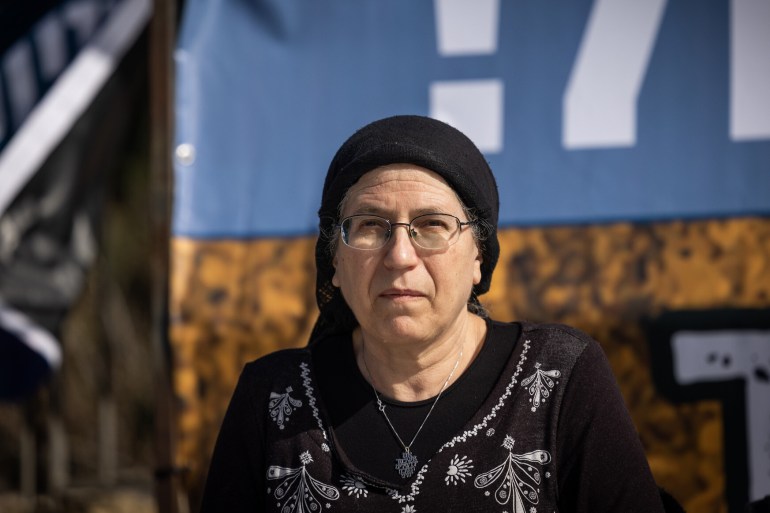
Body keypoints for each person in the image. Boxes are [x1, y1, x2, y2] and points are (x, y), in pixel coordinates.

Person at [200, 115, 667, 512]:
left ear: (479, 256)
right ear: (335, 262)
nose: (400, 255)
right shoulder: (273, 397)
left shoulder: (561, 377)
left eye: (431, 225)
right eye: (369, 226)